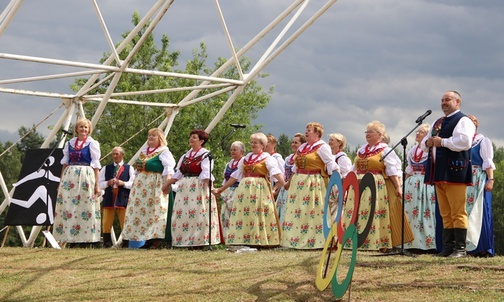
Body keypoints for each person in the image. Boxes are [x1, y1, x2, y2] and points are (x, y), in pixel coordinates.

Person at [423, 90, 476, 258]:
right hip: (439, 172)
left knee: (458, 211)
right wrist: (428, 142)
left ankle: (460, 249)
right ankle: (448, 247)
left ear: (457, 102)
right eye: (442, 100)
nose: (444, 103)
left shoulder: (463, 120)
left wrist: (442, 142)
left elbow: (465, 141)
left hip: (455, 171)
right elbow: (426, 143)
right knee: (445, 212)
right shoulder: (437, 122)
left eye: (448, 100)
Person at [348, 120, 414, 251]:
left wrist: (397, 186)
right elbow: (354, 168)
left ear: (380, 135)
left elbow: (392, 170)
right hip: (359, 183)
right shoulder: (362, 150)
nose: (367, 134)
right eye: (366, 132)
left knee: (373, 212)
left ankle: (375, 241)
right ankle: (355, 240)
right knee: (358, 211)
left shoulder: (385, 150)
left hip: (376, 184)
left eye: (371, 132)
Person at [213, 132, 285, 247]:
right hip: (245, 190)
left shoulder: (267, 158)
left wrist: (283, 183)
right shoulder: (245, 159)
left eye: (255, 142)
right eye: (251, 142)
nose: (252, 144)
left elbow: (275, 172)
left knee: (258, 212)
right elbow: (235, 175)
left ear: (262, 144)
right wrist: (221, 189)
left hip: (259, 189)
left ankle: (259, 239)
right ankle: (244, 238)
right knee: (245, 212)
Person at [282, 122, 339, 250]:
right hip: (298, 183)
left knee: (313, 211)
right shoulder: (302, 148)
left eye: (309, 130)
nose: (306, 132)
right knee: (298, 211)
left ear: (317, 133)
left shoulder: (322, 147)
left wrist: (336, 182)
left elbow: (331, 165)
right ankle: (296, 239)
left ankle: (315, 241)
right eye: (306, 130)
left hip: (313, 182)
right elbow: (295, 168)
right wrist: (289, 182)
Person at [165, 129, 221, 248]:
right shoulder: (185, 155)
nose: (191, 139)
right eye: (191, 137)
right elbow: (178, 173)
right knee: (184, 213)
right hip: (185, 187)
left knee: (198, 213)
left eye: (194, 137)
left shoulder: (205, 155)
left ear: (201, 141)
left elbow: (206, 173)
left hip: (198, 186)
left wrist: (208, 190)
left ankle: (199, 242)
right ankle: (184, 241)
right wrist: (166, 184)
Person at [122, 128, 176, 249]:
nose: (151, 137)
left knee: (155, 211)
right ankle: (144, 238)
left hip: (155, 185)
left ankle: (156, 240)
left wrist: (167, 184)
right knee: (141, 211)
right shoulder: (144, 151)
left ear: (160, 138)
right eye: (149, 135)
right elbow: (137, 170)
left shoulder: (164, 151)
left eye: (154, 135)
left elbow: (168, 168)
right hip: (141, 186)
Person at [53, 118, 102, 248]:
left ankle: (85, 240)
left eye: (86, 127)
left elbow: (96, 165)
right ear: (77, 129)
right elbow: (65, 163)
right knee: (70, 207)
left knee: (85, 206)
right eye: (81, 127)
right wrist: (60, 181)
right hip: (70, 177)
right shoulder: (70, 143)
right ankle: (70, 238)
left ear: (89, 130)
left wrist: (97, 185)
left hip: (86, 175)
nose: (83, 129)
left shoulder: (92, 143)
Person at [403, 124, 438, 252]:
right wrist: (403, 185)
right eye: (417, 131)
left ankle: (428, 243)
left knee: (426, 212)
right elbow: (409, 169)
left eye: (422, 132)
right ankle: (411, 242)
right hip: (412, 185)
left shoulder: (431, 150)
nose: (418, 134)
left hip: (426, 183)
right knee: (411, 213)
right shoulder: (412, 150)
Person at [465, 115, 495, 257]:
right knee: (465, 211)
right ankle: (466, 246)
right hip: (464, 178)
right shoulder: (462, 142)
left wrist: (491, 179)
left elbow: (487, 161)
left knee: (480, 211)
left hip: (477, 178)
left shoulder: (482, 141)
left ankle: (482, 247)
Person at [98, 146, 135, 248]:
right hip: (109, 196)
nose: (114, 156)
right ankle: (106, 243)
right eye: (113, 154)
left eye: (117, 154)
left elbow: (134, 183)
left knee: (124, 220)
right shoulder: (106, 168)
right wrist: (107, 183)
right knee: (106, 221)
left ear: (122, 155)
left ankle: (125, 243)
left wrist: (123, 183)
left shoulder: (129, 168)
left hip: (123, 196)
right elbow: (99, 183)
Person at [276, 133, 305, 226]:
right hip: (286, 188)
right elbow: (284, 174)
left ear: (302, 144)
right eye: (292, 142)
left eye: (296, 142)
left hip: (296, 188)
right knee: (282, 212)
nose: (293, 144)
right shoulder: (289, 158)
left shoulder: (302, 157)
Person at [219, 141, 245, 238]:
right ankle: (227, 238)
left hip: (239, 190)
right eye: (231, 150)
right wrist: (221, 190)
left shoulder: (244, 162)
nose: (232, 152)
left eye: (235, 150)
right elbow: (225, 179)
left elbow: (236, 177)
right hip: (228, 191)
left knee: (237, 213)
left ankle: (238, 237)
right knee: (226, 214)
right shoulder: (229, 164)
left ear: (241, 151)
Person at [265, 134, 285, 199]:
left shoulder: (277, 158)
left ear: (274, 144)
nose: (265, 144)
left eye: (267, 142)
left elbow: (282, 176)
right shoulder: (262, 158)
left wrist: (274, 189)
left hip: (273, 189)